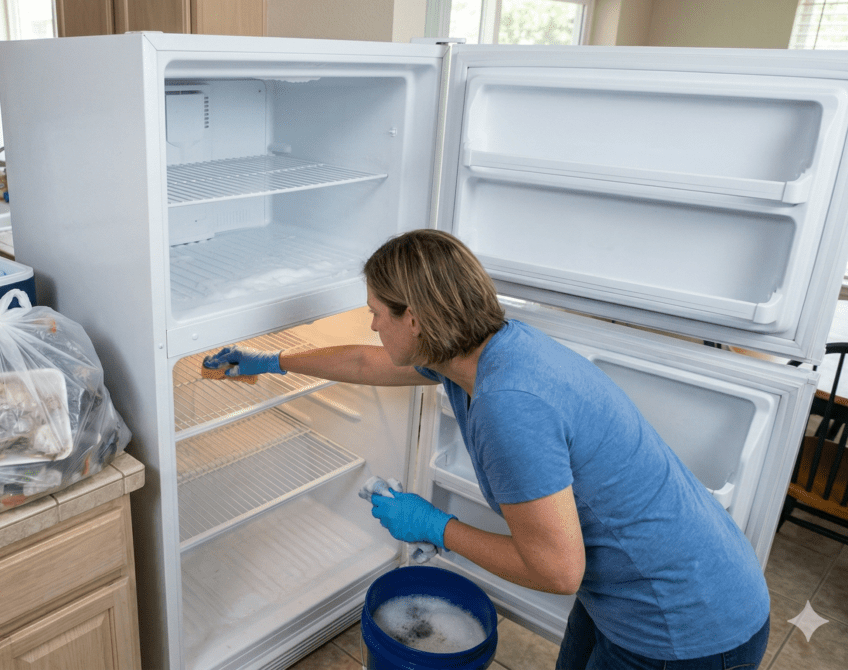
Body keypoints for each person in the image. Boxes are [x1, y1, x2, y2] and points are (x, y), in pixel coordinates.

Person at [202, 229, 770, 670]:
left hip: (687, 626)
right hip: (647, 590)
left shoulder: (509, 404)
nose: (373, 325)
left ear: (416, 320)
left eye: (378, 313)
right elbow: (363, 362)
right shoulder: (485, 348)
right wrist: (273, 360)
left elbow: (558, 571)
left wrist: (433, 525)